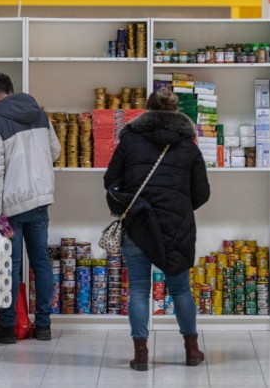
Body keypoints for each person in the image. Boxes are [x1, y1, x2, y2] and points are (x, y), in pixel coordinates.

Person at [103, 87, 210, 371]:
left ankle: (140, 354)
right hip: (176, 227)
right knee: (180, 290)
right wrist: (179, 207)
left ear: (147, 111)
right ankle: (191, 349)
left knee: (138, 289)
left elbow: (110, 181)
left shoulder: (129, 139)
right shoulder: (188, 145)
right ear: (176, 112)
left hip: (137, 224)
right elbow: (202, 193)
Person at [0, 72, 61, 344]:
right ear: (11, 90)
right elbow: (56, 151)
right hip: (39, 200)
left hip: (10, 206)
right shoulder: (40, 115)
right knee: (41, 263)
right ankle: (44, 325)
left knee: (8, 267)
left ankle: (7, 327)